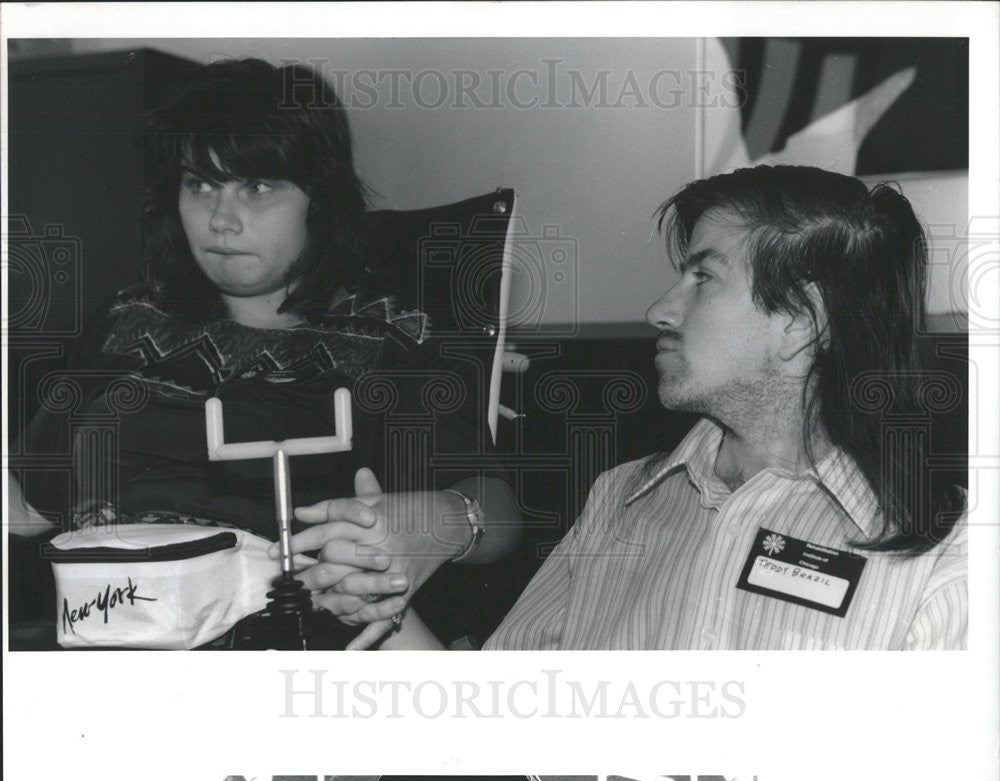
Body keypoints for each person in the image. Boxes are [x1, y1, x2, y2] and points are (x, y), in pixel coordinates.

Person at [293, 164, 967, 650]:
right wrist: (383, 599)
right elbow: (495, 738)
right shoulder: (618, 501)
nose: (659, 310)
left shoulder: (942, 554)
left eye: (703, 277)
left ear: (801, 322)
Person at [9, 58, 521, 649]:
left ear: (319, 199)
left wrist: (445, 523)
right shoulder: (128, 322)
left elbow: (500, 515)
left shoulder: (389, 339)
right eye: (199, 184)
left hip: (292, 640)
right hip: (111, 631)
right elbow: (25, 507)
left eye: (257, 186)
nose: (222, 220)